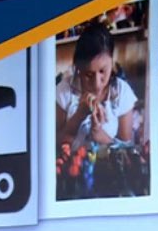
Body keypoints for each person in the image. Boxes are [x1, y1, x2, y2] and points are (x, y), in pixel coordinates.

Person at [56, 21, 136, 151]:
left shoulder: (121, 92)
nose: (97, 83)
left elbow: (126, 151)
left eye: (103, 71)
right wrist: (79, 115)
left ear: (112, 62)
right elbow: (54, 144)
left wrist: (100, 134)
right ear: (78, 68)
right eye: (88, 74)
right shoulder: (64, 91)